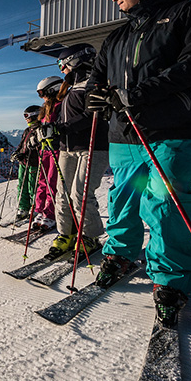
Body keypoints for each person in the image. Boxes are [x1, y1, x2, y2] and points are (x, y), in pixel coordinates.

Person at [86, 0, 191, 327]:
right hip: (125, 133)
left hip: (175, 130)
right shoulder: (116, 37)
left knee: (165, 203)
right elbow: (97, 79)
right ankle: (121, 253)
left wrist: (134, 95)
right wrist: (96, 96)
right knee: (123, 197)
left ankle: (171, 280)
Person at [39, 44, 109, 259]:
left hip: (92, 147)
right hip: (67, 149)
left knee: (80, 195)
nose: (61, 70)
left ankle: (89, 236)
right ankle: (66, 234)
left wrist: (60, 128)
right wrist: (50, 132)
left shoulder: (93, 84)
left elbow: (91, 115)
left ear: (75, 60)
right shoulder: (71, 89)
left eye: (62, 64)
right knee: (62, 194)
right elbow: (66, 119)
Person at [31, 76, 63, 231]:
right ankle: (40, 209)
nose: (41, 96)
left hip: (56, 149)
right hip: (45, 149)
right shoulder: (45, 109)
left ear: (53, 89)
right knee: (42, 180)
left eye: (42, 93)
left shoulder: (60, 106)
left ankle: (50, 213)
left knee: (51, 181)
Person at [10, 105, 42, 223]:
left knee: (32, 186)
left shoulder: (39, 129)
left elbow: (38, 148)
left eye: (27, 116)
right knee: (21, 186)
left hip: (34, 162)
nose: (25, 118)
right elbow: (22, 144)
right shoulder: (28, 130)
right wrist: (17, 153)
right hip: (23, 162)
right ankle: (23, 208)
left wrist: (25, 154)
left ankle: (35, 208)